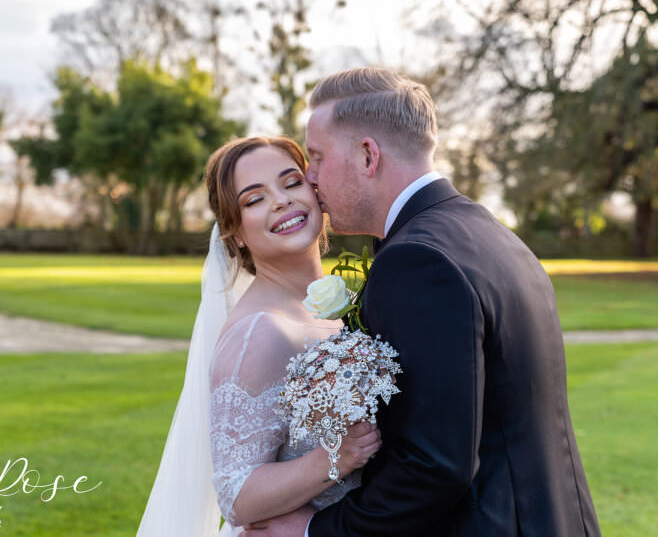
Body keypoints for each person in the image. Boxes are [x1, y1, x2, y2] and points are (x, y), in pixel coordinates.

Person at [249, 68, 600, 536]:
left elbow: (433, 465)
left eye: (316, 157)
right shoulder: (492, 235)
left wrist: (316, 530)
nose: (310, 178)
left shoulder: (416, 261)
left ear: (368, 155)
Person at [137, 136, 382, 537]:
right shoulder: (259, 333)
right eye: (254, 200)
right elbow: (237, 496)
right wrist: (338, 454)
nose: (281, 201)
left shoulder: (348, 307)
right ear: (235, 232)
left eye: (291, 182)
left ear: (316, 192)